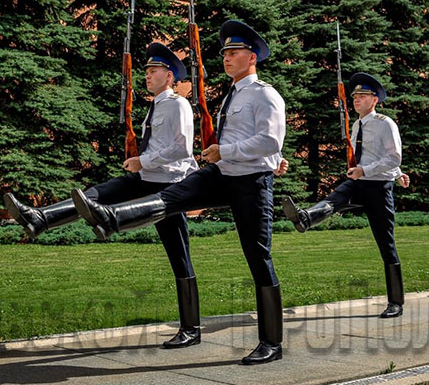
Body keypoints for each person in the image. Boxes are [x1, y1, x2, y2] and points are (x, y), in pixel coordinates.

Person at [72, 20, 287, 365]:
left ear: (252, 57)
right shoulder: (233, 96)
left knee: (257, 256)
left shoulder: (265, 94)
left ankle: (271, 343)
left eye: (233, 53)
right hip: (221, 174)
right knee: (172, 199)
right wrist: (222, 156)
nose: (226, 59)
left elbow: (270, 140)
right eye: (225, 54)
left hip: (251, 182)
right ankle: (113, 218)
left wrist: (226, 151)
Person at [2, 43, 202, 349]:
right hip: (144, 178)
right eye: (146, 71)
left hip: (167, 186)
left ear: (170, 75)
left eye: (153, 71)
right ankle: (40, 218)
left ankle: (191, 328)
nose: (147, 75)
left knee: (179, 255)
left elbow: (182, 148)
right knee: (94, 195)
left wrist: (142, 161)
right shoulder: (156, 106)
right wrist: (140, 162)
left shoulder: (178, 105)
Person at [282, 72, 408, 319]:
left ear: (375, 100)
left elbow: (393, 156)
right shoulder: (357, 124)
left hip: (379, 188)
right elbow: (377, 155)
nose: (356, 99)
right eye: (354, 96)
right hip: (358, 182)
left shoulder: (385, 123)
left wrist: (393, 173)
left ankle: (396, 302)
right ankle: (306, 218)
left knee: (386, 244)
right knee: (334, 198)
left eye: (362, 96)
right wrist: (363, 172)